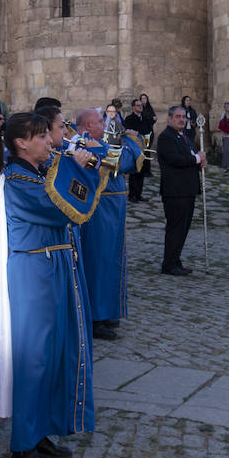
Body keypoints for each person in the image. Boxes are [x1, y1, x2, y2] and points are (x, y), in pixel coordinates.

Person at [0, 110, 102, 458]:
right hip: (34, 274)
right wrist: (79, 168)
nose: (50, 142)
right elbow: (62, 208)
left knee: (55, 351)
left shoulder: (36, 173)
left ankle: (41, 429)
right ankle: (23, 447)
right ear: (20, 143)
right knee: (34, 357)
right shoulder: (18, 180)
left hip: (51, 268)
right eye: (42, 137)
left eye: (49, 135)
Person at [75, 107, 143, 340]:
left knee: (111, 260)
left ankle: (107, 311)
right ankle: (95, 317)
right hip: (100, 212)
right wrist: (131, 139)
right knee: (99, 263)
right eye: (98, 123)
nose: (104, 126)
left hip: (111, 211)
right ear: (86, 127)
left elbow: (130, 162)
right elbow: (123, 161)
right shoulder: (86, 145)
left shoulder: (98, 144)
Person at [156, 105, 203, 275]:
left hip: (188, 190)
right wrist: (196, 158)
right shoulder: (166, 137)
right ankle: (169, 264)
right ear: (169, 118)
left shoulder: (185, 137)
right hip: (175, 191)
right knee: (175, 228)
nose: (181, 119)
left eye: (184, 117)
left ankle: (175, 259)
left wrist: (199, 163)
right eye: (178, 116)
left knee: (183, 228)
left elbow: (190, 159)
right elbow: (175, 159)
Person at [124, 99, 154, 202]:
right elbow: (127, 133)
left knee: (142, 172)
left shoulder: (145, 118)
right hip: (134, 148)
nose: (140, 107)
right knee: (134, 171)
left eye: (141, 105)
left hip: (144, 147)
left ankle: (138, 194)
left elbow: (150, 130)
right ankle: (132, 194)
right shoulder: (129, 119)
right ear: (133, 107)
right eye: (138, 105)